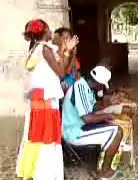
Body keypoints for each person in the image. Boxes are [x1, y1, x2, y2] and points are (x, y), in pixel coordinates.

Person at [16, 19, 77, 180]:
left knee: (37, 136)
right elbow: (62, 72)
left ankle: (38, 172)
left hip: (38, 101)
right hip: (46, 101)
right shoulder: (44, 49)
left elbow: (60, 69)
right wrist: (66, 51)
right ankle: (45, 175)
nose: (52, 32)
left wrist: (65, 50)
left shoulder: (35, 49)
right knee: (47, 137)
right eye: (49, 29)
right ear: (45, 32)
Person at [62, 65, 123, 179]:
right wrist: (107, 115)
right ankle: (104, 171)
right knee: (117, 132)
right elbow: (87, 118)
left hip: (79, 126)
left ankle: (103, 165)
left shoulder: (85, 87)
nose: (101, 88)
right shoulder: (80, 89)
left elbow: (93, 108)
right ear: (97, 83)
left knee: (111, 126)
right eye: (101, 85)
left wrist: (109, 103)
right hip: (74, 131)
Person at [53, 27, 80, 93]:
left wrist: (73, 53)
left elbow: (73, 70)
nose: (67, 40)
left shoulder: (70, 52)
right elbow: (64, 72)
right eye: (64, 38)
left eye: (69, 38)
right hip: (59, 89)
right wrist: (67, 51)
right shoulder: (54, 52)